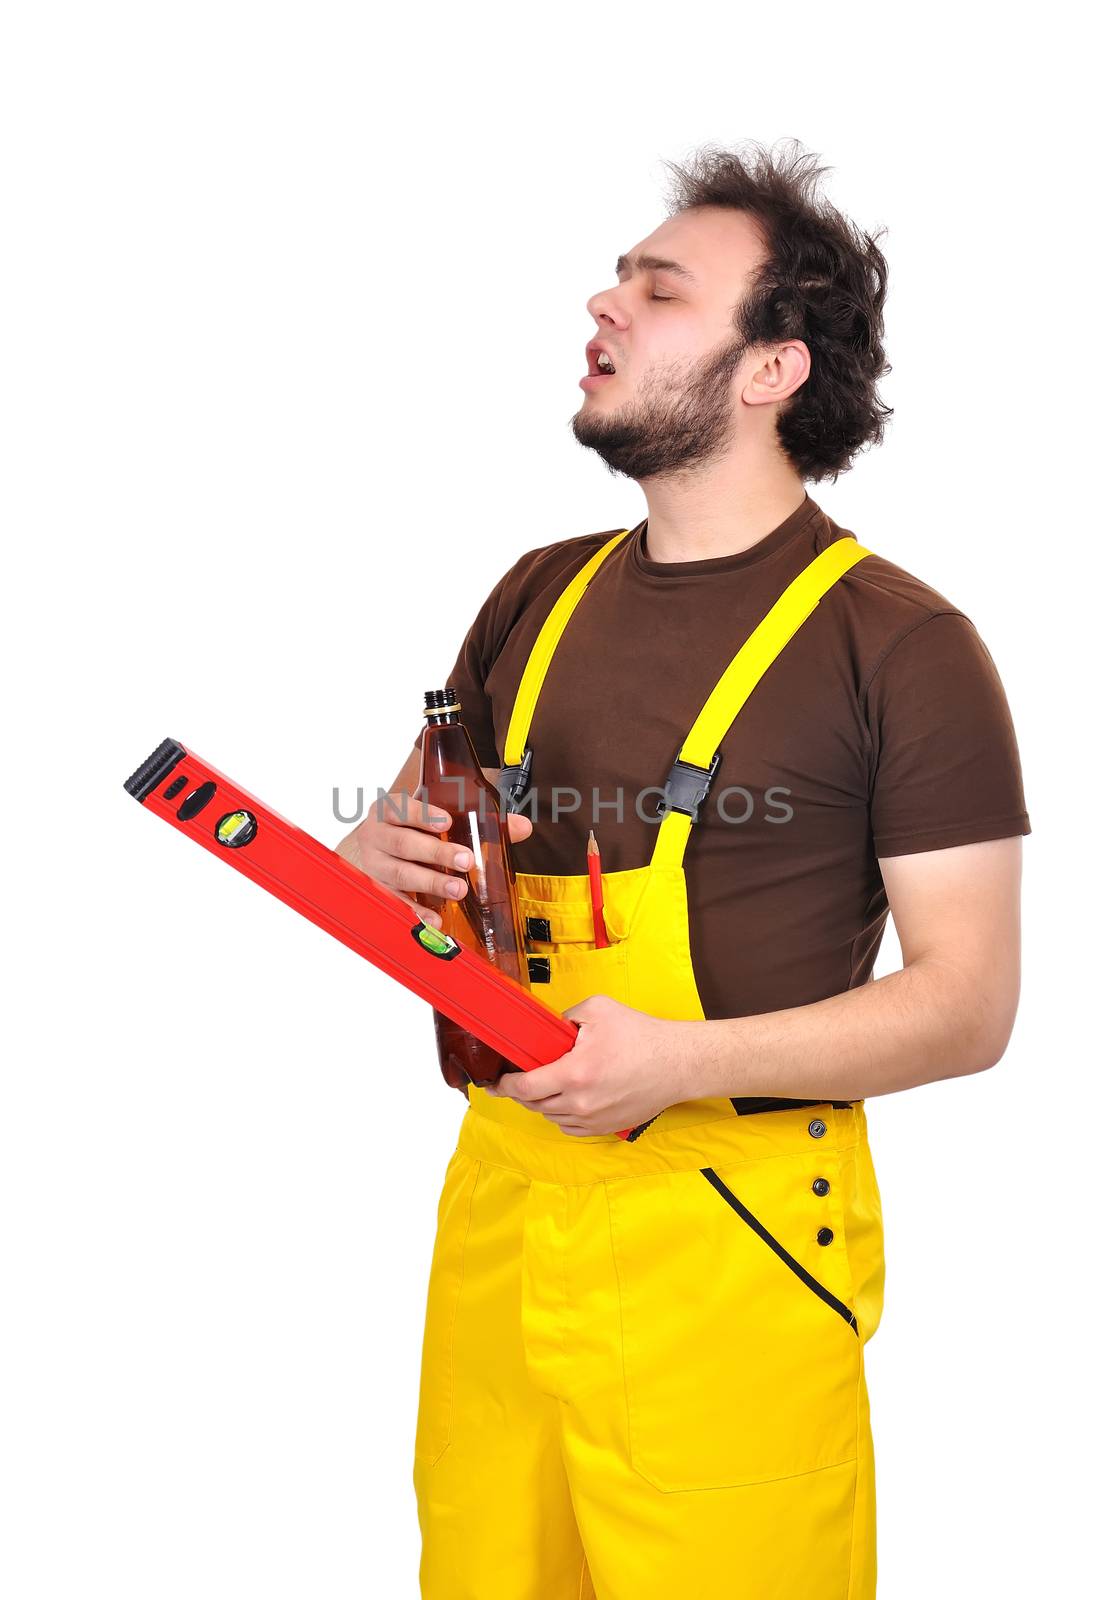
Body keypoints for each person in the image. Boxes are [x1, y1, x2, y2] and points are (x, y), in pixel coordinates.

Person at [337, 140, 1029, 1600]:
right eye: (618, 276)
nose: (603, 301)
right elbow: (412, 879)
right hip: (505, 1219)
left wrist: (682, 1060)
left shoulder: (899, 647)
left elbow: (967, 1007)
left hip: (732, 1234)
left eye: (657, 288)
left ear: (771, 368)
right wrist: (369, 862)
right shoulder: (535, 592)